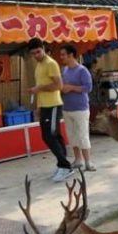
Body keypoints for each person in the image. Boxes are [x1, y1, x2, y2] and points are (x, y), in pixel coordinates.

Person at [27, 38, 75, 182]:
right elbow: (40, 87)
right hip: (45, 106)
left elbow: (59, 85)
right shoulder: (39, 66)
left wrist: (39, 88)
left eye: (38, 52)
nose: (36, 55)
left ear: (43, 48)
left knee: (50, 136)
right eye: (33, 53)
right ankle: (62, 165)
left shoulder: (51, 63)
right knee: (53, 136)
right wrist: (39, 107)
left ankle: (65, 166)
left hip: (53, 105)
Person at [58, 44, 95, 172]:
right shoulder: (64, 70)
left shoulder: (82, 70)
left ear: (71, 55)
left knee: (82, 135)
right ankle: (78, 160)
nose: (61, 57)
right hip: (67, 108)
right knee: (71, 135)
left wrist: (71, 88)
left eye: (63, 54)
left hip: (80, 108)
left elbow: (88, 88)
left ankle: (88, 162)